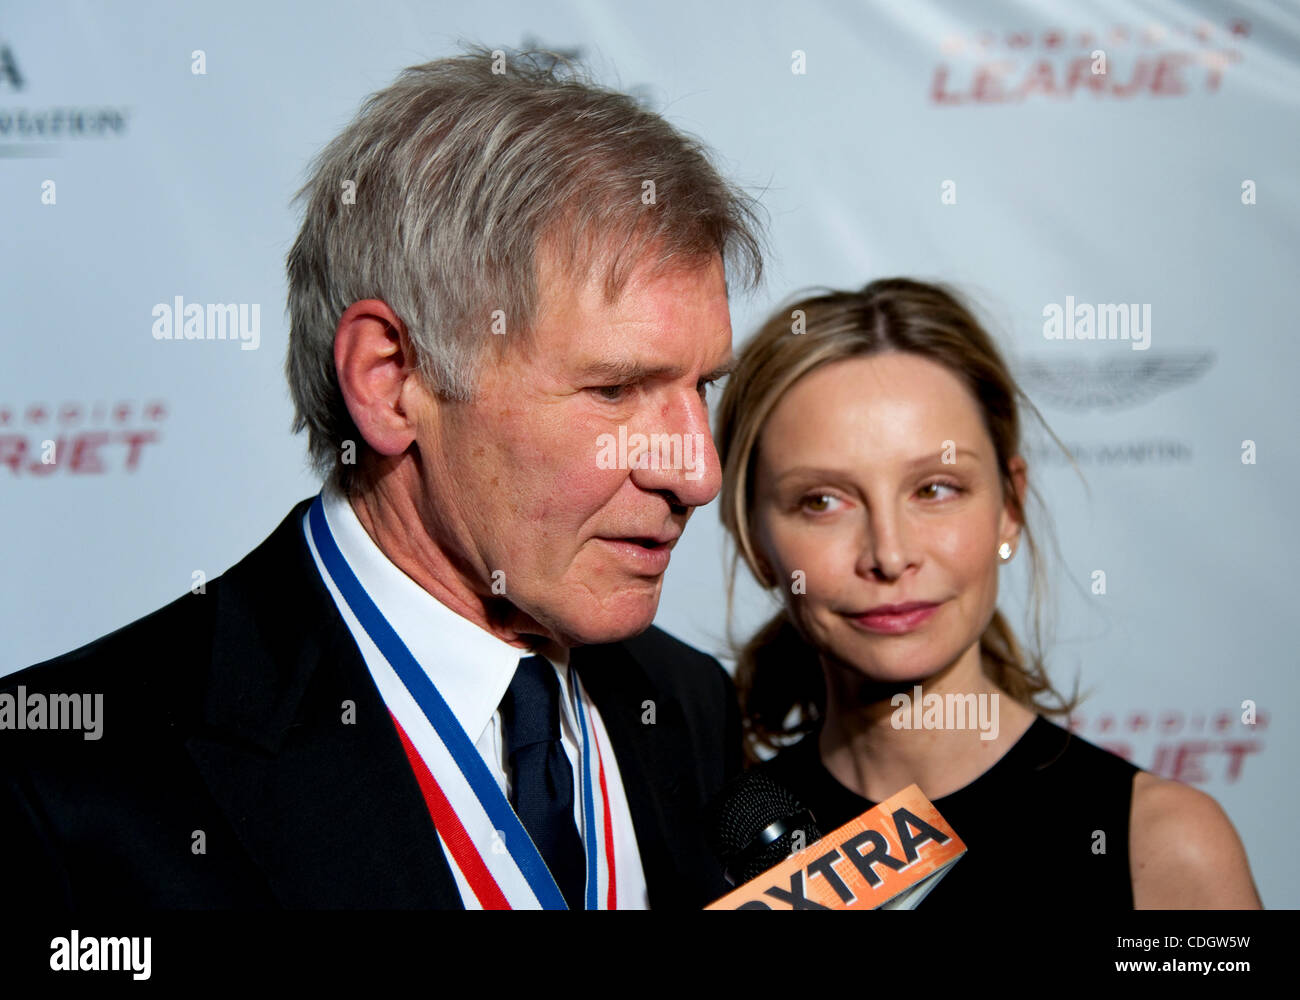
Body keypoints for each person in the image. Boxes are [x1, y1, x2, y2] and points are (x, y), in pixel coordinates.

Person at [0, 47, 764, 910]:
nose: (698, 473)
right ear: (391, 381)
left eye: (700, 386)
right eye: (615, 390)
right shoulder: (61, 783)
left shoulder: (684, 703)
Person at [713, 278, 1261, 908]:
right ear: (754, 541)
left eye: (936, 489)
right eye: (822, 501)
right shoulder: (712, 849)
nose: (890, 555)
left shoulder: (1160, 846)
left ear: (1010, 507)